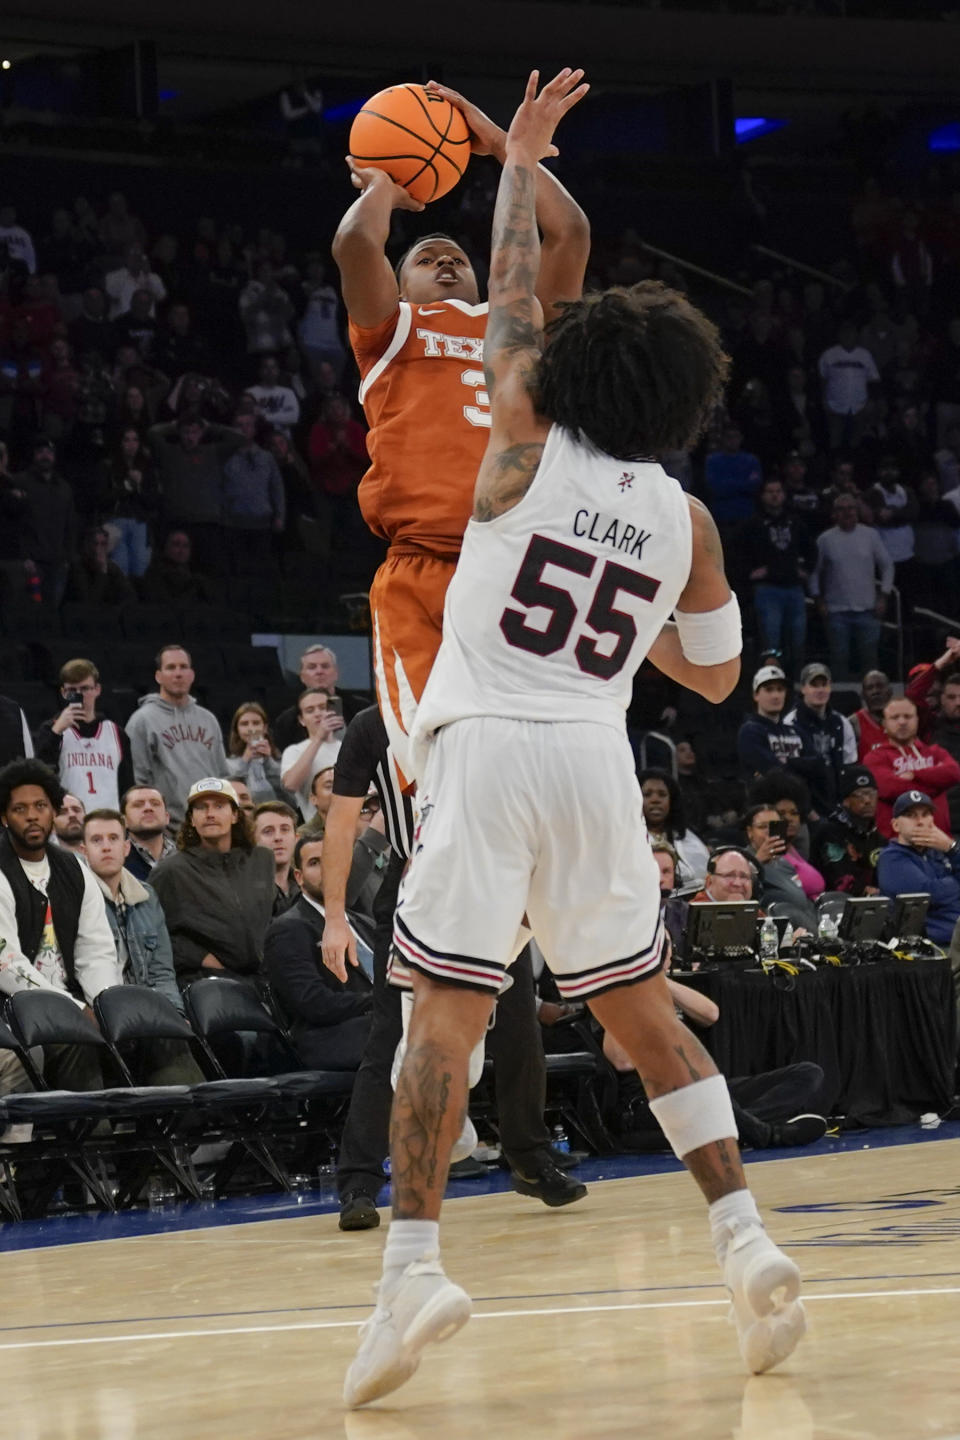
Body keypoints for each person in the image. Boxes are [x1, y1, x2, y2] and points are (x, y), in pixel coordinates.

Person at [341, 72, 803, 1409]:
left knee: (441, 1016)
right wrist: (641, 617)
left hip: (486, 741)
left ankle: (413, 1269)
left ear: (570, 373)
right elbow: (712, 681)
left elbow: (522, 294)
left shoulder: (518, 451)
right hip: (599, 758)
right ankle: (746, 1238)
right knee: (649, 1020)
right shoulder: (685, 522)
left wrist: (519, 158)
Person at [332, 75, 590, 785]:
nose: (446, 258)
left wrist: (507, 149)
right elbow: (356, 245)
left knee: (532, 764)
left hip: (518, 558)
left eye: (458, 255)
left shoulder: (520, 324)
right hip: (425, 562)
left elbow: (569, 233)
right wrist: (390, 182)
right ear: (401, 282)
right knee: (434, 770)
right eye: (425, 256)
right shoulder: (392, 330)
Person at [322, 704, 582, 1232]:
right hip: (414, 884)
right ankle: (360, 1180)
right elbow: (341, 820)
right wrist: (332, 917)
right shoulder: (372, 725)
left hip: (489, 879)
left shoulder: (478, 708)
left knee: (516, 1025)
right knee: (392, 1035)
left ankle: (529, 1158)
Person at [0, 759, 119, 1091]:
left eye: (40, 806)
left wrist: (104, 1004)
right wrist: (75, 1008)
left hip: (74, 1000)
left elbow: (96, 949)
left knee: (149, 1034)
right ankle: (96, 1139)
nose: (32, 815)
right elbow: (6, 963)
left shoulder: (75, 868)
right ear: (3, 818)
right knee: (72, 1039)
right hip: (12, 1007)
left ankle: (196, 1134)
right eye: (19, 808)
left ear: (53, 811)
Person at [150, 777, 276, 989]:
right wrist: (200, 958)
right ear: (191, 819)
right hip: (206, 982)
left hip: (267, 977)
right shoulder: (170, 871)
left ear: (235, 815)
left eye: (219, 806)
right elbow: (153, 932)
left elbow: (276, 913)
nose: (210, 814)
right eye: (201, 808)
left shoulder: (262, 859)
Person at [264, 836, 373, 1070]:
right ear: (299, 877)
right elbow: (314, 1003)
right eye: (315, 862)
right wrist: (379, 1003)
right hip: (332, 1038)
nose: (328, 868)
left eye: (334, 860)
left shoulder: (366, 924)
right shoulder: (288, 929)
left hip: (380, 1026)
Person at [81, 809, 190, 1019]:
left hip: (150, 1008)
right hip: (103, 1012)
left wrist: (175, 1014)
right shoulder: (76, 896)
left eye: (113, 838)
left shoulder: (147, 895)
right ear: (84, 851)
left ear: (126, 847)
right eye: (97, 840)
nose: (106, 847)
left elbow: (162, 971)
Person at [125, 645, 227, 832]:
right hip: (169, 830)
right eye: (171, 668)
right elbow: (138, 782)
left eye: (183, 667)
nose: (178, 673)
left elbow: (222, 775)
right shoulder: (142, 720)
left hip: (210, 825)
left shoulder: (208, 719)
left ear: (192, 674)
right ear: (158, 676)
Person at [808, 495, 894, 682]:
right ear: (834, 514)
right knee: (839, 659)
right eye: (842, 509)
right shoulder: (825, 539)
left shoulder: (870, 535)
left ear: (857, 511)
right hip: (836, 611)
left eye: (851, 508)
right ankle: (841, 701)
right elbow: (814, 572)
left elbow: (887, 566)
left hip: (868, 609)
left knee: (870, 659)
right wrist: (818, 599)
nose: (847, 512)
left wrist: (884, 596)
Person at [739, 475, 814, 677]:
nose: (774, 496)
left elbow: (811, 550)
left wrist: (805, 570)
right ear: (762, 496)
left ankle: (797, 683)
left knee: (797, 640)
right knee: (771, 641)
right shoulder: (753, 524)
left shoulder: (795, 522)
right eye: (770, 492)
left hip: (794, 588)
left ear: (784, 495)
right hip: (767, 589)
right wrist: (749, 573)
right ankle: (771, 680)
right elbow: (738, 552)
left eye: (778, 491)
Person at [34, 658, 131, 810]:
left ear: (97, 689)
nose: (79, 695)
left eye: (85, 689)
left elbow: (127, 785)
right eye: (72, 691)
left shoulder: (116, 733)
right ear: (63, 693)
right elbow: (39, 775)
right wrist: (56, 731)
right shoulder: (50, 730)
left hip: (110, 820)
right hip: (69, 821)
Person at [863, 696, 960, 838]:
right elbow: (890, 789)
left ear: (917, 720)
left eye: (908, 716)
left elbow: (953, 773)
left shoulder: (935, 752)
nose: (902, 722)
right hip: (897, 844)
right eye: (895, 717)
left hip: (939, 840)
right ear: (884, 723)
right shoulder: (874, 758)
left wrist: (915, 775)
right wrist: (938, 784)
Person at [737, 665, 828, 808]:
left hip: (800, 811)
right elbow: (773, 773)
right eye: (769, 689)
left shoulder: (796, 731)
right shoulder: (750, 731)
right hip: (768, 813)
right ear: (756, 695)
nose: (776, 695)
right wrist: (799, 765)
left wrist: (789, 764)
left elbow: (818, 767)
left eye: (780, 689)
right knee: (778, 830)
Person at [877, 791, 960, 946]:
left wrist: (952, 848)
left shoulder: (941, 850)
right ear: (896, 825)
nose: (920, 821)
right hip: (932, 947)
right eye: (911, 815)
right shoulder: (891, 858)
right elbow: (930, 895)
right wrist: (956, 879)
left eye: (926, 814)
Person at [222, 409, 286, 574]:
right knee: (238, 570)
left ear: (254, 429)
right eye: (239, 425)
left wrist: (279, 515)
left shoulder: (266, 458)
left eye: (248, 425)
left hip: (262, 522)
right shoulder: (224, 457)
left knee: (261, 570)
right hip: (234, 523)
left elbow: (276, 488)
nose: (244, 429)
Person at [783, 662, 856, 801]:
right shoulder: (790, 723)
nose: (820, 690)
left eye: (824, 685)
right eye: (814, 685)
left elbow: (849, 765)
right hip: (804, 797)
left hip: (837, 796)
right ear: (803, 688)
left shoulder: (842, 723)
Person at [272, 644, 365, 752]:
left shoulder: (361, 709)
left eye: (325, 666)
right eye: (312, 667)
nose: (319, 671)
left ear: (336, 673)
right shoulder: (286, 722)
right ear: (302, 677)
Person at [811, 765, 885, 896]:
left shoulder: (878, 838)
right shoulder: (829, 833)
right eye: (859, 795)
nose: (867, 801)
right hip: (837, 907)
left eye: (871, 794)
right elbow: (840, 882)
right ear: (845, 801)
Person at [743, 804, 818, 931]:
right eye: (762, 827)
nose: (769, 831)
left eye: (774, 826)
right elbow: (738, 890)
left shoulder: (784, 860)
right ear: (750, 832)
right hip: (771, 927)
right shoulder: (741, 859)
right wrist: (757, 862)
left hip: (804, 922)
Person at [638, 768, 709, 885]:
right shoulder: (625, 839)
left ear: (672, 801)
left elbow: (702, 879)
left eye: (662, 794)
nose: (655, 800)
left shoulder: (688, 839)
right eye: (647, 794)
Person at [280, 689, 342, 821]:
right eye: (310, 710)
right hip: (318, 830)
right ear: (302, 720)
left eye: (323, 707)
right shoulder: (294, 751)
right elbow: (290, 785)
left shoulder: (348, 747)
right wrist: (319, 737)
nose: (318, 713)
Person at [818, 320, 880, 451]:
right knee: (835, 445)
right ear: (839, 335)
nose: (848, 336)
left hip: (859, 407)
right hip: (835, 407)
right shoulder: (828, 355)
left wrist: (870, 402)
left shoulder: (865, 355)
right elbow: (822, 378)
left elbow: (874, 379)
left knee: (856, 446)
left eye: (851, 333)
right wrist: (824, 401)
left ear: (856, 335)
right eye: (844, 333)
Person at [225, 701, 286, 805]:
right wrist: (245, 760)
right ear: (237, 730)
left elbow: (288, 794)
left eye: (256, 723)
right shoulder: (228, 762)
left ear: (265, 728)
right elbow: (228, 790)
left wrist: (268, 761)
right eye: (244, 724)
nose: (251, 729)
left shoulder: (280, 758)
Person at [64, 525, 138, 608]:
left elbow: (130, 597)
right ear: (86, 545)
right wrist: (102, 572)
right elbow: (88, 603)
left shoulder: (112, 567)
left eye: (103, 544)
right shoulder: (77, 567)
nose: (97, 549)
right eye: (95, 544)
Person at [121, 785, 176, 881]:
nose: (148, 808)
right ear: (124, 821)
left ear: (167, 817)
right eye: (138, 805)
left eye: (155, 804)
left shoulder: (187, 856)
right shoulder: (116, 860)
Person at [253, 801, 300, 910]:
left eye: (285, 829)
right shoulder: (243, 891)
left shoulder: (307, 885)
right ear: (253, 841)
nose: (278, 837)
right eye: (268, 831)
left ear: (296, 839)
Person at [850, 669, 893, 761]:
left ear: (890, 691)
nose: (875, 691)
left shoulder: (903, 719)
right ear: (863, 695)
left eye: (880, 686)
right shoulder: (853, 723)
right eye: (870, 688)